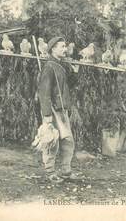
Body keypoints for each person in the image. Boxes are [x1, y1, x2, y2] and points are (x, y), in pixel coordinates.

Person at [37, 37, 78, 183]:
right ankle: (50, 172)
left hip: (62, 109)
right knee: (51, 140)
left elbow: (68, 86)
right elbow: (44, 92)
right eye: (61, 46)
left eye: (65, 46)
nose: (65, 49)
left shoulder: (62, 65)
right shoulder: (49, 67)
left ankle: (66, 171)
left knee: (67, 140)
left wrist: (74, 73)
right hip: (53, 109)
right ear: (53, 49)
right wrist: (47, 114)